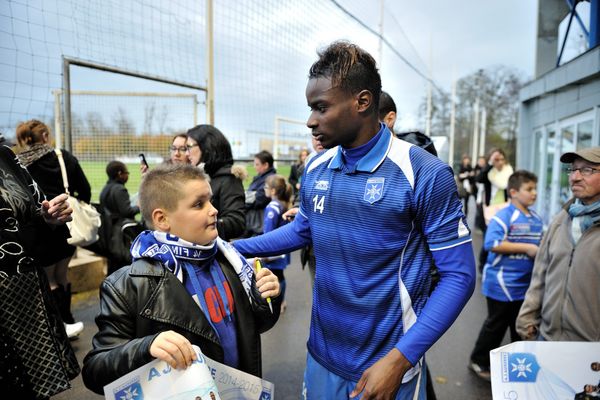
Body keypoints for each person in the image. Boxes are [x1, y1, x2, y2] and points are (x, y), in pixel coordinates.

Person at [233, 40, 475, 399]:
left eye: (321, 107)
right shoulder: (316, 166)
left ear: (362, 102)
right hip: (321, 356)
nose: (310, 120)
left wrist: (400, 360)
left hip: (385, 367)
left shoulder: (423, 173)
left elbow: (459, 276)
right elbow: (302, 230)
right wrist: (226, 246)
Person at [82, 164, 280, 394]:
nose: (214, 210)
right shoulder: (129, 285)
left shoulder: (231, 262)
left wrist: (265, 297)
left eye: (210, 200)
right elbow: (95, 371)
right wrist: (146, 347)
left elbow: (258, 326)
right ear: (162, 219)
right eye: (199, 204)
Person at [0, 137, 80, 398]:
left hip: (23, 291)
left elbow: (34, 210)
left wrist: (49, 217)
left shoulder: (6, 156)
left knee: (31, 385)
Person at [517, 147, 600, 342]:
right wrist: (527, 319)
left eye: (587, 170)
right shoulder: (561, 220)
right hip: (547, 339)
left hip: (591, 352)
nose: (575, 177)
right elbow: (540, 275)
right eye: (573, 170)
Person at [16, 119, 90, 337]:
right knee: (62, 274)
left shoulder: (18, 164)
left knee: (49, 279)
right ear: (46, 136)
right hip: (65, 225)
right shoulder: (63, 157)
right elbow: (84, 190)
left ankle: (59, 327)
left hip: (38, 229)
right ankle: (68, 320)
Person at [468, 170, 543, 381]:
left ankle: (515, 368)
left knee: (519, 327)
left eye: (535, 189)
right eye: (529, 189)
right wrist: (527, 248)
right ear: (513, 192)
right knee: (496, 325)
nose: (534, 193)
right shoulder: (503, 216)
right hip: (501, 284)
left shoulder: (537, 219)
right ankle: (478, 361)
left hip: (525, 286)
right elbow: (492, 243)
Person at [186, 125, 246, 240]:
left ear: (206, 147)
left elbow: (237, 223)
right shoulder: (202, 176)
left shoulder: (229, 179)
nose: (187, 154)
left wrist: (197, 224)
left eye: (189, 147)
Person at [99, 160, 141, 275]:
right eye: (126, 172)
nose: (127, 175)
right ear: (119, 173)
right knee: (122, 264)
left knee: (112, 264)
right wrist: (139, 206)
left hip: (108, 231)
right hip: (120, 234)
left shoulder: (105, 188)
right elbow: (126, 211)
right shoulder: (119, 189)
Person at [261, 174, 292, 312]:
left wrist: (264, 250)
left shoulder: (272, 207)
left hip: (274, 249)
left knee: (274, 276)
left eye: (266, 187)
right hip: (282, 247)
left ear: (273, 191)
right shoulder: (283, 204)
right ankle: (282, 301)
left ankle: (277, 302)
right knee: (280, 275)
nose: (264, 189)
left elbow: (268, 233)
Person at [243, 150, 276, 237]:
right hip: (253, 221)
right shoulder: (260, 177)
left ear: (265, 165)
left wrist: (243, 199)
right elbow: (251, 196)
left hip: (259, 223)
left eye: (257, 164)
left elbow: (258, 198)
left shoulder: (270, 180)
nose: (254, 167)